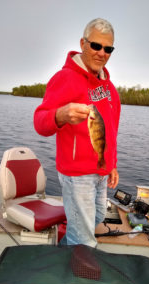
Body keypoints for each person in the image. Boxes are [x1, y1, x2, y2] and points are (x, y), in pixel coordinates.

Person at [34, 18, 121, 247]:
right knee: (84, 241)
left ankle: (64, 249)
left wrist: (112, 163)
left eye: (108, 48)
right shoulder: (65, 78)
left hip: (101, 171)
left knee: (98, 217)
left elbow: (110, 131)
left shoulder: (110, 89)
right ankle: (78, 277)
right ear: (83, 43)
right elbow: (40, 122)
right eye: (96, 46)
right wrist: (60, 115)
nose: (102, 53)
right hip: (77, 175)